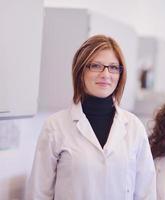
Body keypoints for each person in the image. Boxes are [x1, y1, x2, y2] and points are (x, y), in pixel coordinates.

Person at [26, 35, 156, 200]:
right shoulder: (55, 126)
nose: (106, 74)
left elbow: (146, 192)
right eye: (96, 66)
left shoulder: (134, 127)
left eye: (113, 67)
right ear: (81, 72)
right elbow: (38, 193)